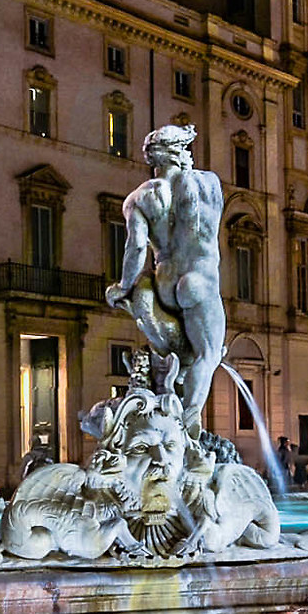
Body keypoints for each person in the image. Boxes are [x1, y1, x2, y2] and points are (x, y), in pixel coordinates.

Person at [105, 123, 227, 427]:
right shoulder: (207, 184)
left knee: (173, 349)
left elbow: (135, 249)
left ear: (152, 159)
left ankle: (167, 388)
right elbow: (209, 232)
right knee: (209, 355)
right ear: (181, 151)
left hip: (163, 282)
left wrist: (123, 286)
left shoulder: (139, 198)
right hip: (199, 279)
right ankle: (191, 417)